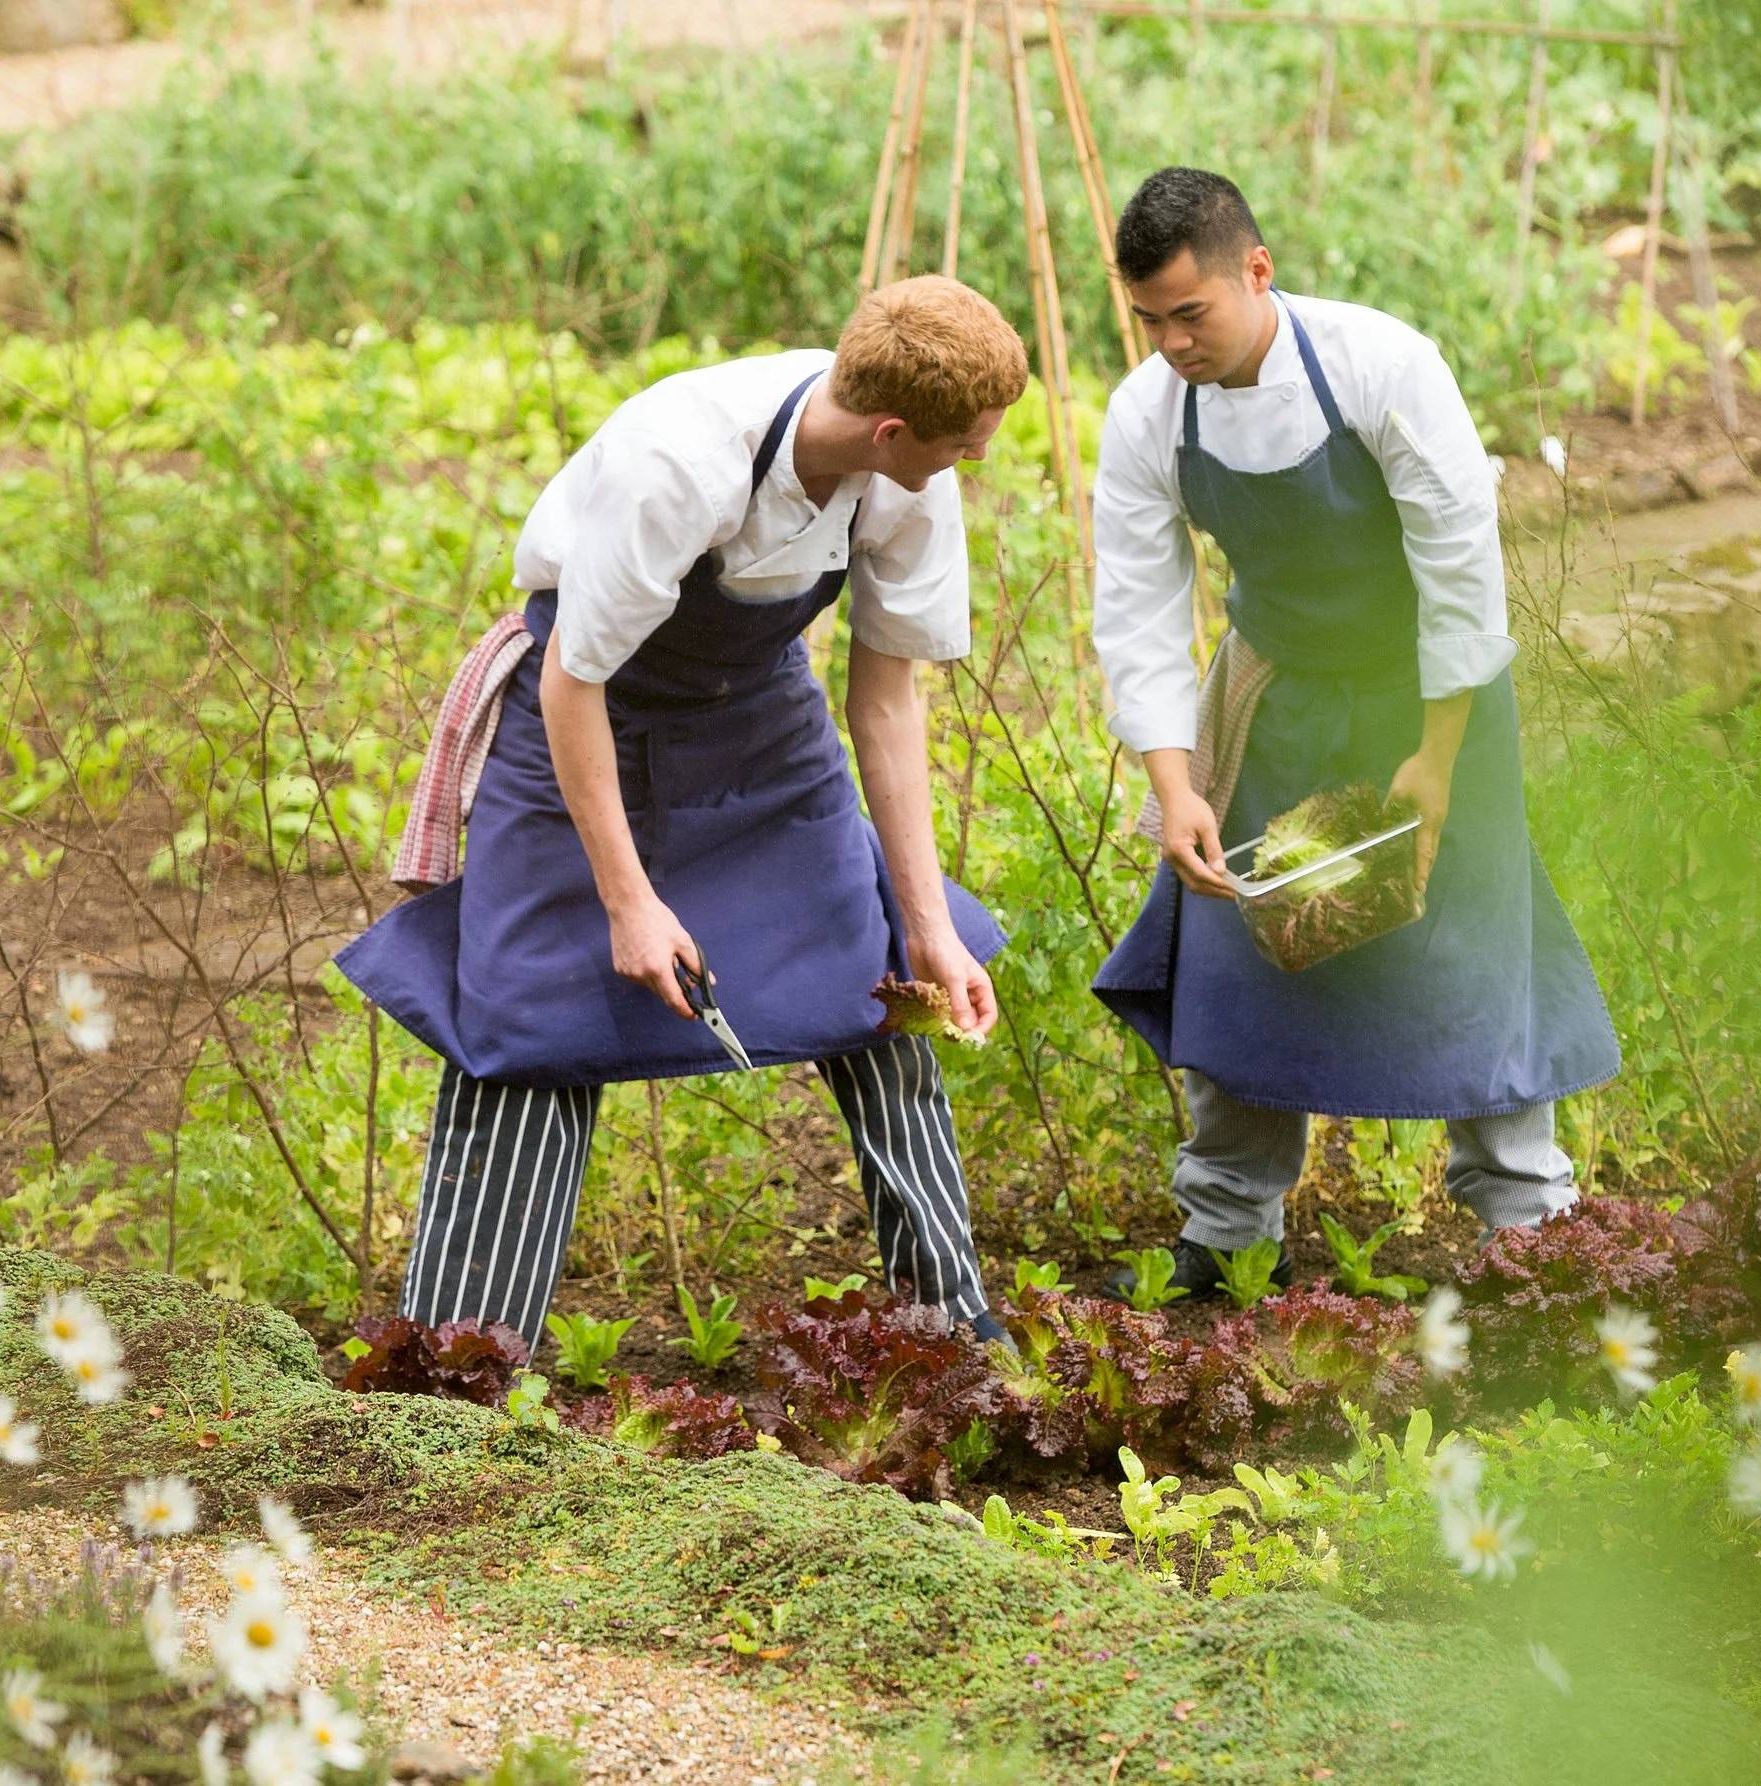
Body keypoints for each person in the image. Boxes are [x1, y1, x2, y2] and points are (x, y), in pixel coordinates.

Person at [336, 276, 1031, 1349]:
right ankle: (454, 1369)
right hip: (584, 719)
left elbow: (884, 702)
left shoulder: (902, 483)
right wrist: (627, 902)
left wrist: (931, 924)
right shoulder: (680, 461)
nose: (968, 466)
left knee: (881, 977)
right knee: (529, 1018)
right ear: (891, 429)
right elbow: (575, 680)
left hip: (757, 720)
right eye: (963, 448)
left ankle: (953, 1329)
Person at [1090, 169, 1619, 1299]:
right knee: (1242, 951)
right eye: (1151, 320)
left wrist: (1434, 761)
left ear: (1257, 271)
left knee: (1471, 943)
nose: (1173, 342)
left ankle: (1530, 1239)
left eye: (1194, 313)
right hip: (1274, 693)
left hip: (1427, 694)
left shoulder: (1382, 366)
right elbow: (1136, 604)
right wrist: (1173, 782)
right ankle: (1228, 1235)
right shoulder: (1148, 414)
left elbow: (1459, 568)